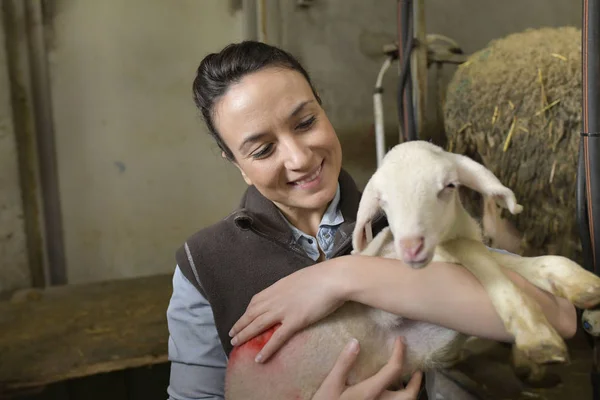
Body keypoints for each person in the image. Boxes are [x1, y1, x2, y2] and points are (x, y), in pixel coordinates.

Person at [166, 40, 578, 400]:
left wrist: (346, 276)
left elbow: (558, 316)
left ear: (324, 111)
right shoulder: (205, 264)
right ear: (236, 163)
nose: (299, 158)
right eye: (262, 150)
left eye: (306, 122)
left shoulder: (405, 217)